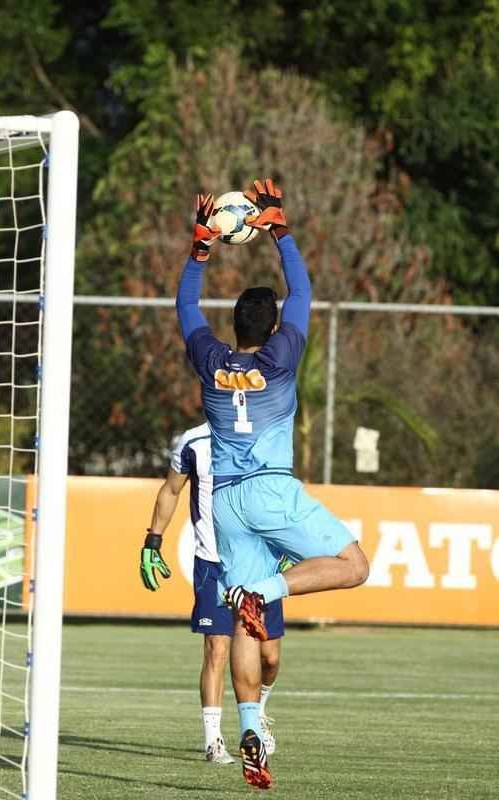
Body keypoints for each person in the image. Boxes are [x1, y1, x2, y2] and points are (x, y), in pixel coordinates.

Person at [176, 179, 370, 789]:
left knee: (242, 623)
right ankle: (265, 588)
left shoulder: (210, 359)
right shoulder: (280, 358)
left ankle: (251, 726)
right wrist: (280, 230)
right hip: (269, 488)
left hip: (226, 502)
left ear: (231, 327)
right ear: (273, 325)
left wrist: (201, 249)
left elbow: (185, 308)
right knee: (353, 563)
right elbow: (304, 291)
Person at [139, 420, 285, 764]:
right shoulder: (193, 441)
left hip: (259, 563)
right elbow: (171, 490)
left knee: (270, 657)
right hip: (213, 563)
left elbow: (280, 493)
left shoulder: (267, 435)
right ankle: (213, 740)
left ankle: (258, 713)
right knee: (216, 649)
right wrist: (153, 540)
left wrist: (286, 546)